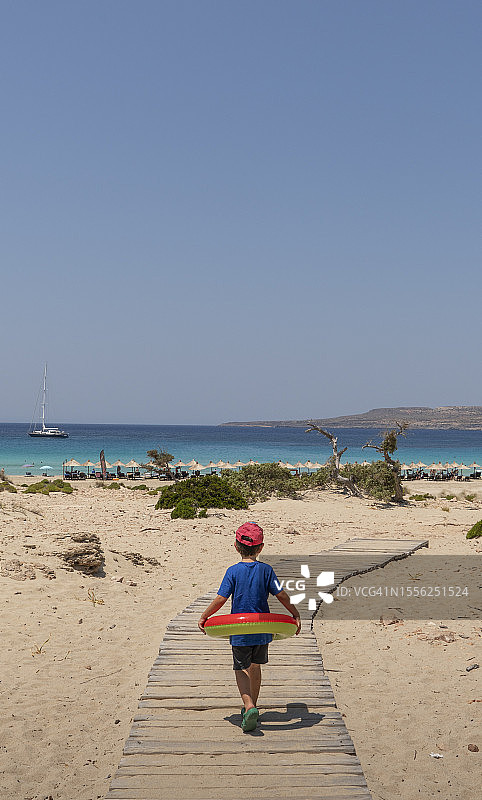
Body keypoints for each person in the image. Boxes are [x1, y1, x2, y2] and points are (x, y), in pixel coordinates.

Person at [198, 522, 301, 732]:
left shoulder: (233, 571)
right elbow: (280, 594)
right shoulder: (266, 570)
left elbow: (220, 599)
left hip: (239, 630)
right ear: (261, 548)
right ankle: (253, 705)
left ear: (236, 546)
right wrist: (295, 613)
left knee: (240, 667)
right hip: (262, 630)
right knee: (255, 666)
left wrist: (205, 616)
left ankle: (248, 705)